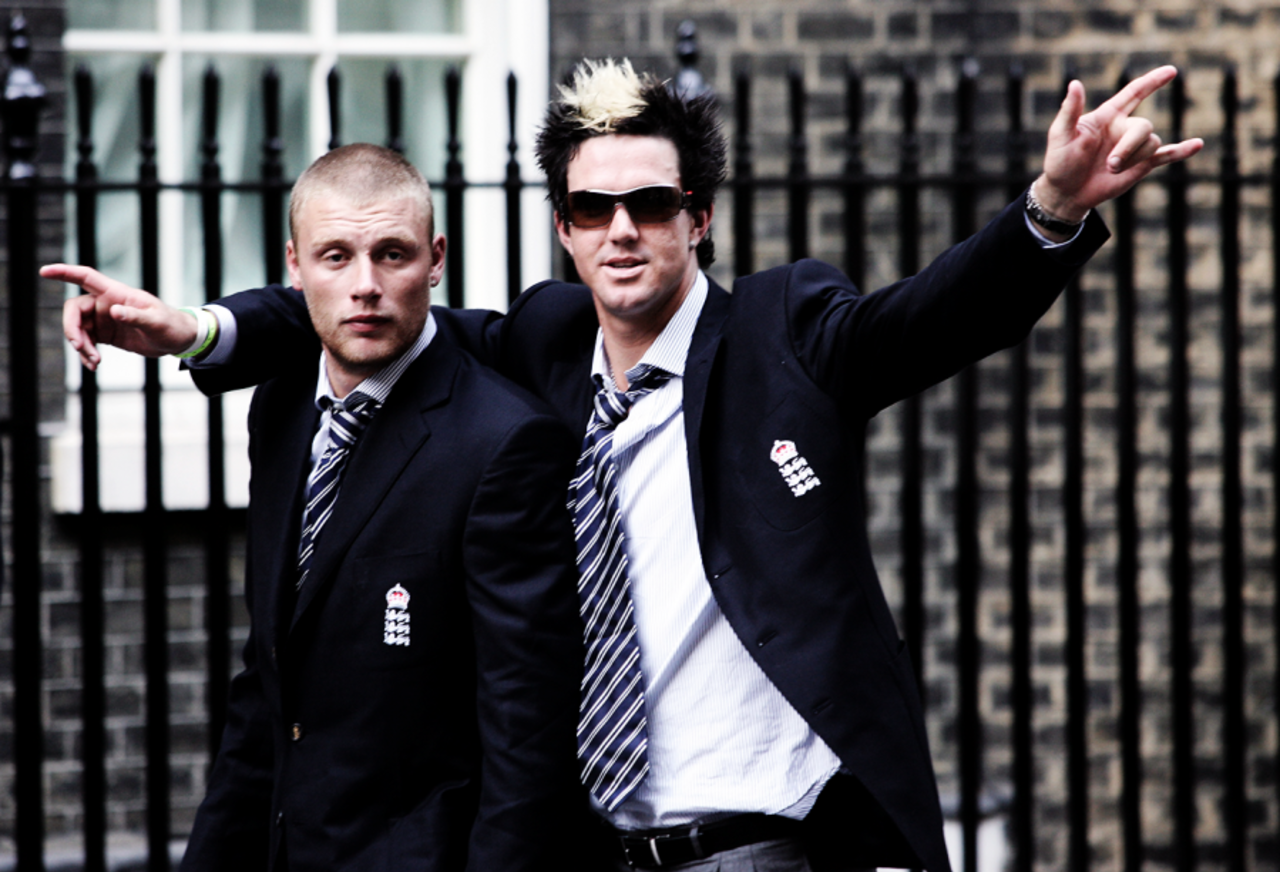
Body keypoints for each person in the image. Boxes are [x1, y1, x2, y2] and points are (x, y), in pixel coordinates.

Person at [56, 60, 1202, 872]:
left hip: (761, 843)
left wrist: (1046, 211)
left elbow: (921, 323)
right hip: (593, 843)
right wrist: (198, 332)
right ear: (561, 225)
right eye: (591, 207)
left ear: (694, 218)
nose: (621, 231)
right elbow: (376, 314)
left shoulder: (782, 333)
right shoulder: (545, 346)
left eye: (649, 205)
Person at [48, 144, 586, 872]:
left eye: (391, 255)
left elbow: (528, 726)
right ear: (294, 266)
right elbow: (268, 679)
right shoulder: (281, 405)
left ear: (436, 260)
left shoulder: (506, 441)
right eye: (336, 257)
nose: (365, 285)